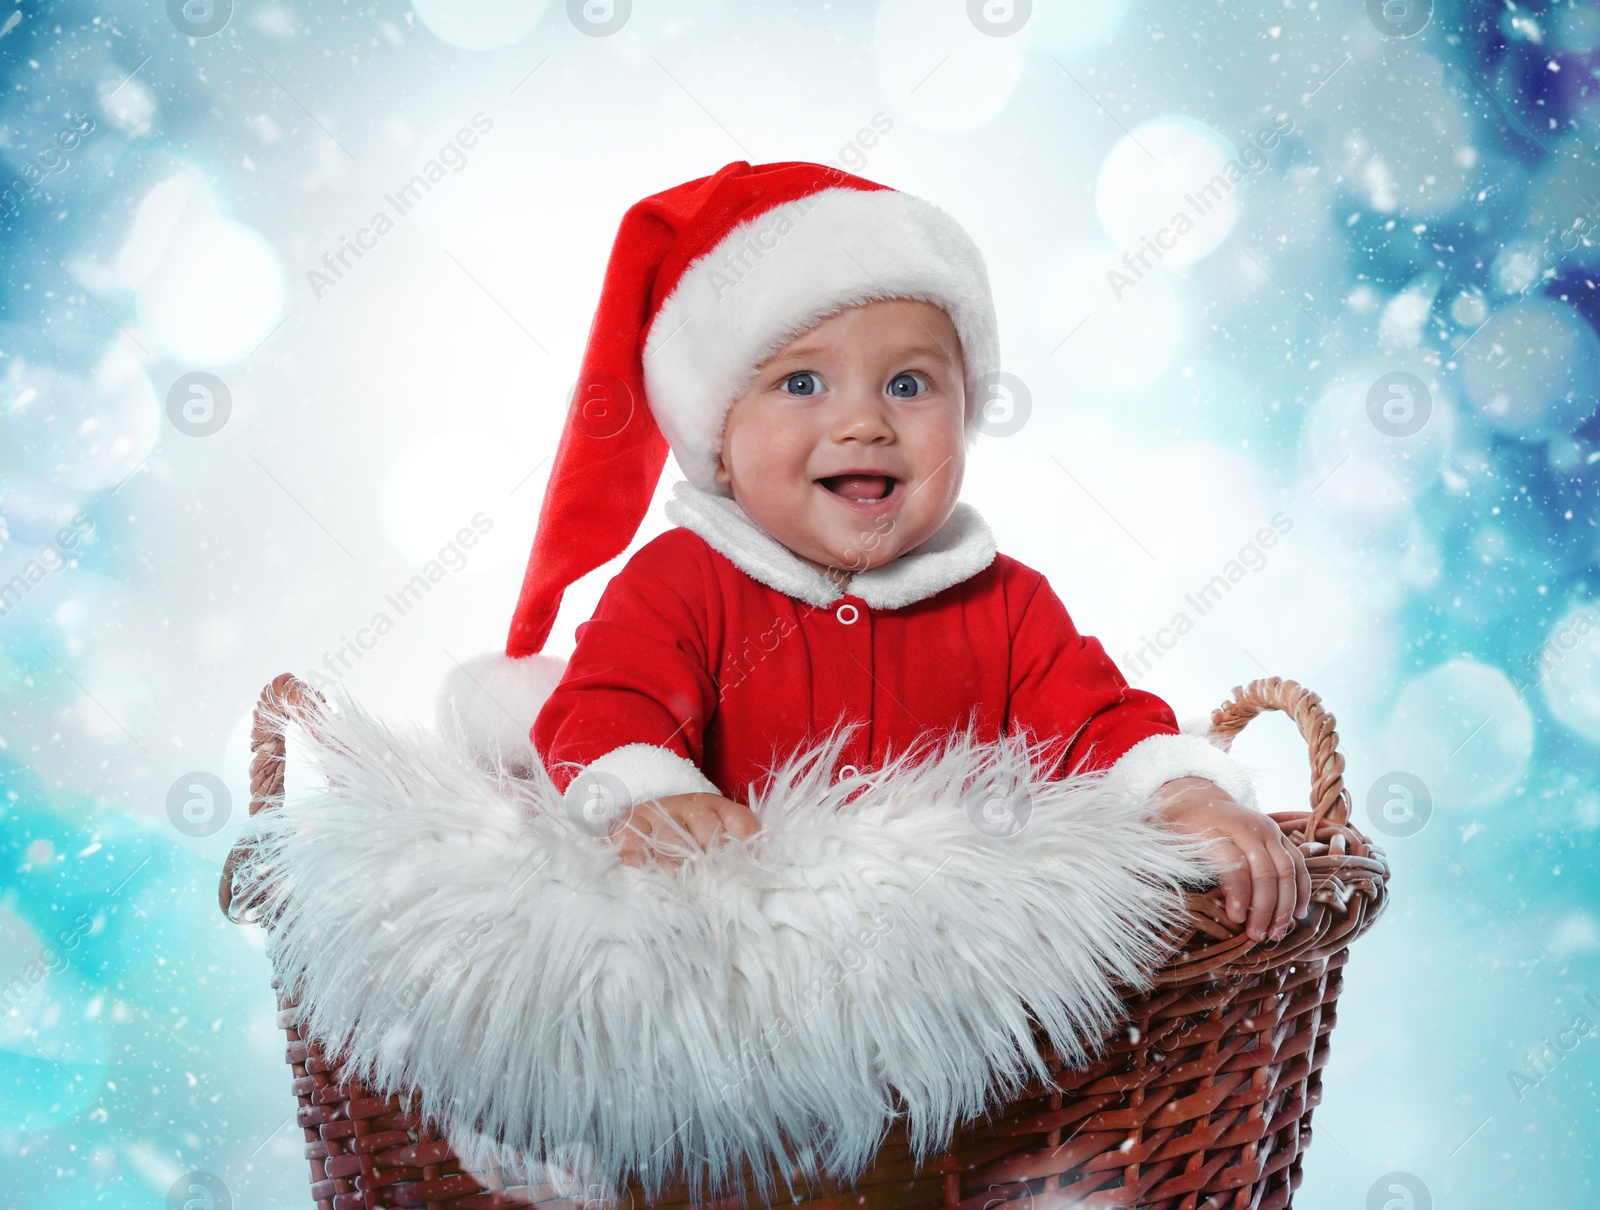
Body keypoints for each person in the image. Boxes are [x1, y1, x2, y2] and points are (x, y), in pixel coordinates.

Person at [441, 160, 1309, 946]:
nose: (865, 422)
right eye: (801, 383)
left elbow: (1095, 725)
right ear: (718, 442)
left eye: (908, 384)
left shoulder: (1004, 605)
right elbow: (604, 709)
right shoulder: (681, 583)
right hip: (736, 963)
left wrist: (1181, 792)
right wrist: (651, 794)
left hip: (957, 982)